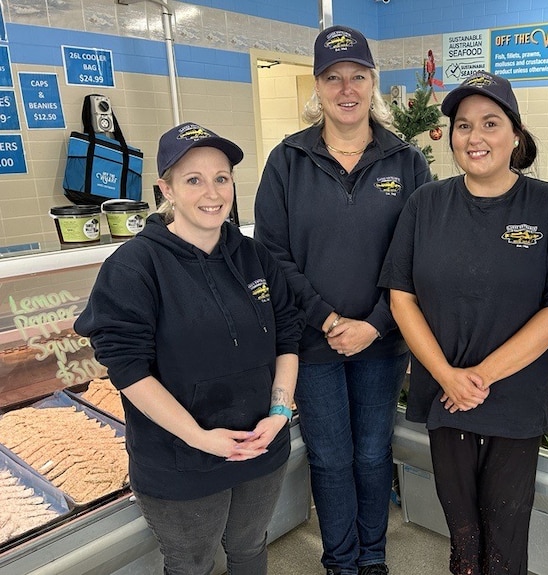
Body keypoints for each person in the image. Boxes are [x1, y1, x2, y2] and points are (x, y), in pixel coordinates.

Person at [379, 71, 548, 575]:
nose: (475, 138)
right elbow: (400, 296)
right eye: (463, 125)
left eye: (490, 123)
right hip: (445, 394)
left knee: (505, 533)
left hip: (514, 397)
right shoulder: (426, 203)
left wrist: (480, 378)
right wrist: (449, 376)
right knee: (463, 535)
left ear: (515, 133)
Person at [74, 122, 304, 575]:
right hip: (180, 460)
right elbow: (127, 369)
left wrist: (279, 414)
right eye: (193, 179)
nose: (212, 192)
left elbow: (288, 338)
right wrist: (199, 438)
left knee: (250, 548)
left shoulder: (255, 256)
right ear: (167, 189)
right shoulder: (135, 267)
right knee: (191, 563)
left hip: (261, 447)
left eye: (221, 178)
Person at [252, 25, 432, 575]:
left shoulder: (404, 160)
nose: (346, 88)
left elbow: (419, 254)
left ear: (373, 81)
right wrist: (328, 318)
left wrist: (375, 324)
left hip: (382, 340)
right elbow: (272, 254)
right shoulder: (287, 160)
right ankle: (341, 561)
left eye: (358, 76)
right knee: (330, 457)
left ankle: (373, 557)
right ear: (318, 85)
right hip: (314, 340)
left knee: (374, 453)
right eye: (334, 78)